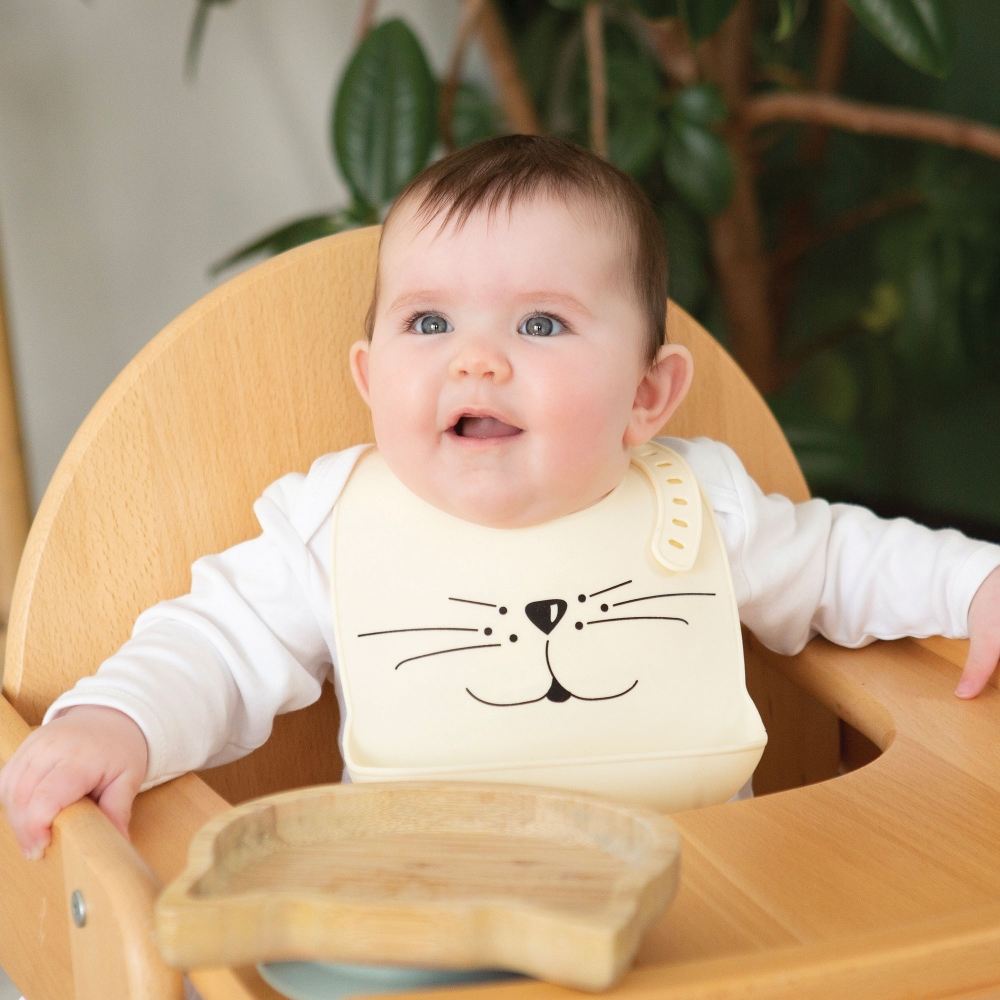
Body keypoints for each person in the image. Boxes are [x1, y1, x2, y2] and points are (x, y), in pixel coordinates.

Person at [3, 135, 1000, 862]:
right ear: (369, 377)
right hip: (431, 918)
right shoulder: (335, 524)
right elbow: (215, 646)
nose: (476, 359)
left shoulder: (702, 505)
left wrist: (973, 583)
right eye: (429, 320)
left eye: (541, 324)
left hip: (701, 908)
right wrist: (117, 722)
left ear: (645, 397)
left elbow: (838, 564)